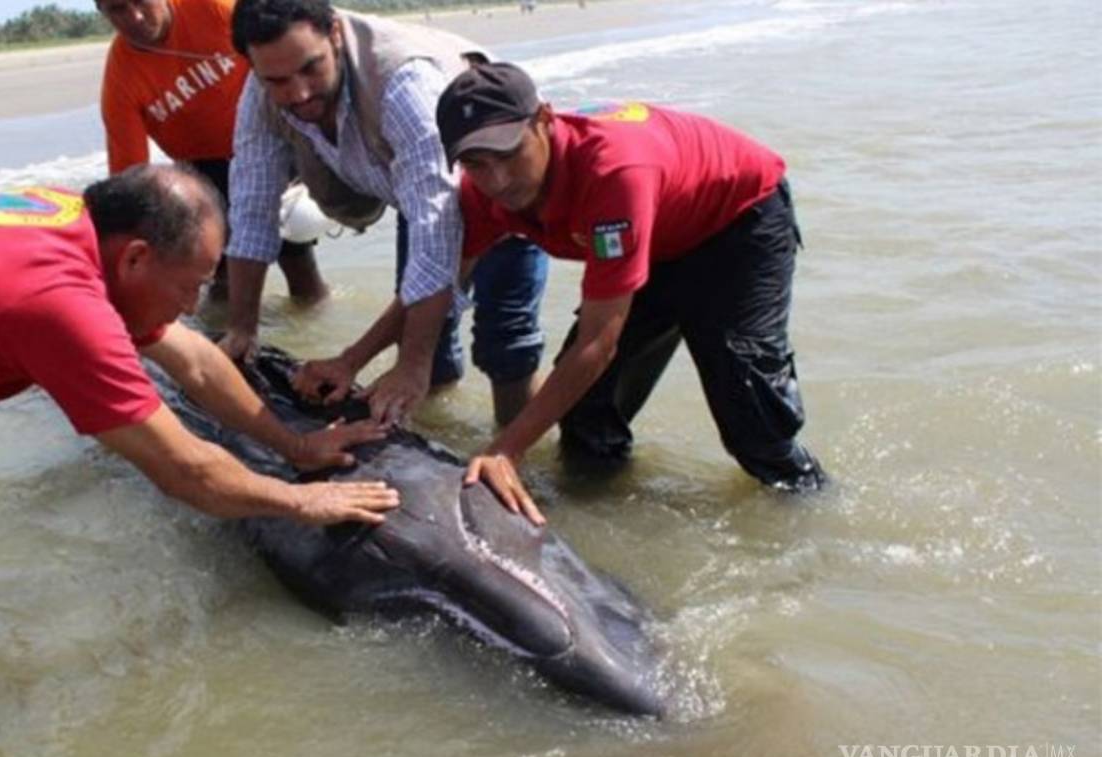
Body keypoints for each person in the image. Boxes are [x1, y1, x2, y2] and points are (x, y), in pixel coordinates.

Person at [0, 165, 399, 605]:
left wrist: (298, 446)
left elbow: (197, 362)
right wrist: (300, 501)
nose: (191, 307)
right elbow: (186, 471)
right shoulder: (62, 305)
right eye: (192, 286)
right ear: (135, 258)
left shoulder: (74, 223)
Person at [436, 63, 827, 525]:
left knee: (752, 416)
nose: (498, 180)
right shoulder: (485, 193)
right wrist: (366, 361)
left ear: (544, 119)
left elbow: (598, 343)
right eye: (477, 163)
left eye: (510, 153)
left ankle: (815, 516)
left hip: (737, 223)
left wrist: (506, 449)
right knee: (584, 414)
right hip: (654, 235)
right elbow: (439, 286)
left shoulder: (613, 171)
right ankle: (603, 520)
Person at [222, 0, 549, 427]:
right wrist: (242, 329)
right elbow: (251, 211)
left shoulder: (402, 84)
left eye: (310, 68)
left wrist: (408, 366)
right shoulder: (261, 95)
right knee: (429, 337)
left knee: (506, 340)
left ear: (336, 35)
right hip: (415, 193)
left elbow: (436, 233)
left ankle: (513, 452)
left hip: (501, 185)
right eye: (277, 80)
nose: (298, 93)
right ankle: (438, 422)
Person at [96, 0, 326, 303]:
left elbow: (280, 48)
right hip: (203, 171)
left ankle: (312, 330)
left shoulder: (213, 8)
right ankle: (224, 341)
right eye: (117, 9)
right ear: (103, 12)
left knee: (297, 260)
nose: (134, 17)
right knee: (217, 275)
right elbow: (128, 183)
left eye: (140, 2)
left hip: (268, 143)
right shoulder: (120, 79)